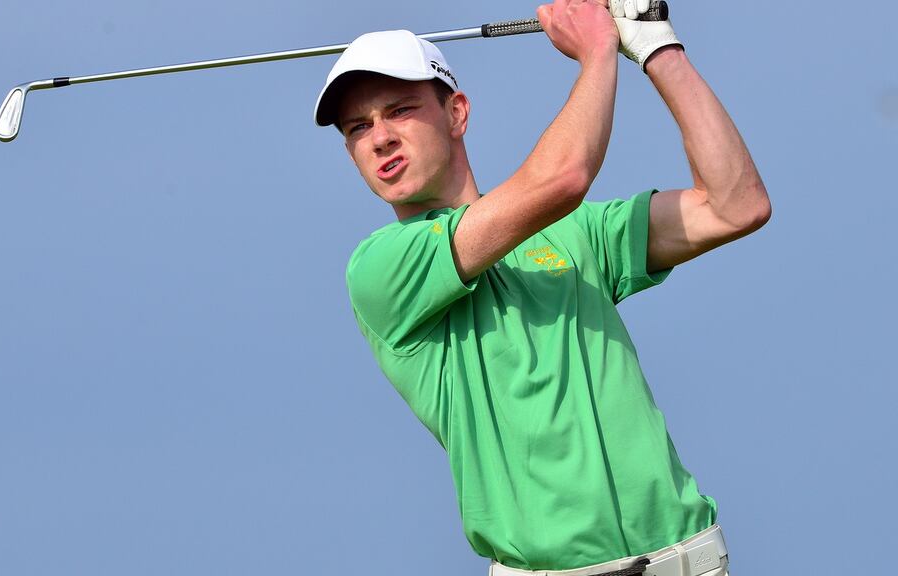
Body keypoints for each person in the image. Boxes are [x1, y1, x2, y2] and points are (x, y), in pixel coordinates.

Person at [313, 0, 770, 574]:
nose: (378, 138)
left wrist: (656, 47)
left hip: (696, 560)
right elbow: (563, 178)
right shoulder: (381, 268)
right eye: (358, 128)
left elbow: (737, 206)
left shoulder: (574, 234)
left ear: (456, 113)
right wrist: (599, 49)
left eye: (399, 111)